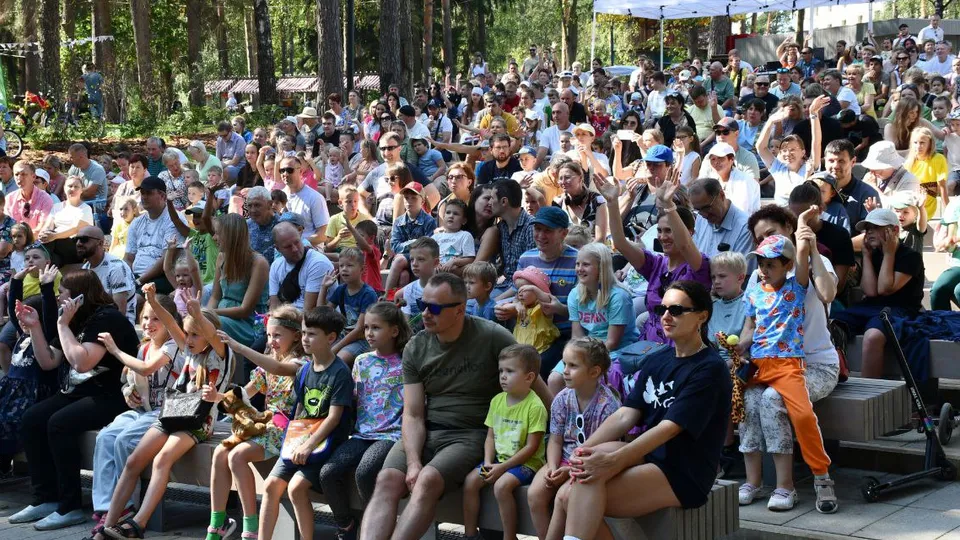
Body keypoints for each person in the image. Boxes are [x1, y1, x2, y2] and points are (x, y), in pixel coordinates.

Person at [359, 273, 550, 540]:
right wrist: (412, 461)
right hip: (426, 429)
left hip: (470, 434)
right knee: (386, 480)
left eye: (434, 308)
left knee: (427, 480)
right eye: (422, 304)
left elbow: (538, 387)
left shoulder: (492, 336)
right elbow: (413, 413)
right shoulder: (417, 346)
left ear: (460, 309)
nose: (425, 313)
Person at [548, 281, 732, 540]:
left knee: (576, 493)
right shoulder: (658, 359)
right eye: (662, 308)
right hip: (651, 458)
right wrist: (578, 455)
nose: (666, 316)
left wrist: (614, 460)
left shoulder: (710, 368)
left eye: (677, 310)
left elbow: (669, 428)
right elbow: (626, 414)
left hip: (684, 471)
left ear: (702, 316)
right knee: (580, 472)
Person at [98, 284, 231, 539]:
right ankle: (106, 528)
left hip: (197, 422)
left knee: (161, 460)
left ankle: (138, 524)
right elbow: (172, 324)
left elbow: (211, 335)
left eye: (195, 335)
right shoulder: (187, 349)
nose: (188, 340)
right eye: (187, 334)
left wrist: (198, 314)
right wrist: (152, 299)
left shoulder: (219, 354)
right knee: (133, 461)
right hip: (171, 414)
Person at [11, 271, 139, 530]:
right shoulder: (73, 320)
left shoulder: (107, 319)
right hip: (79, 393)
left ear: (80, 297)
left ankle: (69, 506)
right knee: (31, 420)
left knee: (59, 423)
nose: (59, 300)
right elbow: (49, 362)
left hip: (112, 395)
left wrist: (61, 325)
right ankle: (45, 498)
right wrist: (35, 327)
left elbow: (82, 362)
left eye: (63, 295)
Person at [736, 233, 837, 513]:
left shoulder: (798, 286)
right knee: (746, 406)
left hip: (790, 364)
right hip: (758, 363)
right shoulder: (755, 290)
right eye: (760, 263)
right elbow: (750, 327)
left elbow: (805, 263)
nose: (763, 270)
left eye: (770, 265)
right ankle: (752, 481)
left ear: (788, 265)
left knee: (801, 414)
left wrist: (808, 239)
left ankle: (818, 477)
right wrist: (739, 346)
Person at [204, 306, 307, 540]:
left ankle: (250, 529)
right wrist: (217, 397)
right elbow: (243, 394)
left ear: (296, 336)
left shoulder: (300, 364)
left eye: (278, 335)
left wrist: (239, 347)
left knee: (236, 456)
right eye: (269, 335)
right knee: (221, 452)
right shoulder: (267, 365)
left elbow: (280, 368)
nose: (272, 341)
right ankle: (217, 525)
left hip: (288, 431)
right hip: (265, 426)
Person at [594, 171, 709, 345]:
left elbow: (685, 245)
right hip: (647, 344)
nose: (663, 237)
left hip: (679, 349)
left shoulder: (698, 266)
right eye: (660, 231)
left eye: (669, 230)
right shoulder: (656, 264)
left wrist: (668, 204)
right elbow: (620, 242)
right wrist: (612, 202)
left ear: (689, 233)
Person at [526, 337, 620, 538]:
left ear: (594, 372)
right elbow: (555, 439)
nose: (565, 371)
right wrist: (552, 467)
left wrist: (569, 470)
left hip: (588, 464)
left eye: (573, 366)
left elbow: (599, 452)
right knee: (535, 495)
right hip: (562, 459)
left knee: (564, 496)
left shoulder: (607, 405)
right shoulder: (562, 398)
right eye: (564, 363)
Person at [462, 344, 546, 540]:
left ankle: (509, 537)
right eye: (501, 371)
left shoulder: (535, 407)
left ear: (529, 377)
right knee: (471, 481)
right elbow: (490, 436)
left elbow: (532, 447)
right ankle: (470, 534)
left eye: (510, 371)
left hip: (525, 465)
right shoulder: (497, 401)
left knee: (502, 486)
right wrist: (489, 462)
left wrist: (502, 468)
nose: (503, 376)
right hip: (498, 462)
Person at [831, 208, 924, 378]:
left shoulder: (911, 256)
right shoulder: (874, 254)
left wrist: (889, 253)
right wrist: (866, 256)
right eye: (867, 229)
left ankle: (870, 392)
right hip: (873, 306)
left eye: (876, 228)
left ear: (894, 230)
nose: (869, 233)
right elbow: (871, 292)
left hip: (901, 310)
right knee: (833, 323)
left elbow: (885, 289)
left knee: (873, 336)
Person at [208, 214, 270, 347]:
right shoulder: (221, 257)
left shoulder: (258, 263)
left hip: (248, 323)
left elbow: (245, 310)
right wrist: (204, 315)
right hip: (220, 316)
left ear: (231, 236)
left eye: (218, 234)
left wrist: (210, 314)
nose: (214, 238)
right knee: (195, 321)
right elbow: (215, 296)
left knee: (210, 324)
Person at [757, 95, 828, 206]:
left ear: (803, 152)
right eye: (784, 150)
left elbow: (816, 142)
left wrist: (813, 114)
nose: (788, 153)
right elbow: (760, 147)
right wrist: (770, 121)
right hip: (781, 219)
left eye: (793, 149)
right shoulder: (778, 168)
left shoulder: (809, 166)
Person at [125, 176, 184, 296]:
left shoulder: (173, 219)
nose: (144, 197)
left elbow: (167, 260)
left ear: (162, 196)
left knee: (135, 299)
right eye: (142, 193)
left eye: (149, 193)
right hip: (136, 277)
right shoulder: (137, 222)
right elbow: (128, 258)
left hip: (163, 277)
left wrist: (139, 281)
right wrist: (126, 276)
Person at [319, 247, 378, 365]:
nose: (344, 269)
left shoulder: (368, 294)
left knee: (338, 360)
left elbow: (359, 330)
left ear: (362, 269)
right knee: (318, 349)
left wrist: (334, 349)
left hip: (362, 340)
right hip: (344, 336)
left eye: (349, 265)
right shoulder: (341, 289)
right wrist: (324, 287)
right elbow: (321, 315)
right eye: (341, 266)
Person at [76, 225, 137, 325]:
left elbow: (119, 312)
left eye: (84, 239)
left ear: (100, 243)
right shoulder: (85, 268)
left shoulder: (116, 267)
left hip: (118, 327)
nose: (78, 243)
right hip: (95, 321)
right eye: (76, 240)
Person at [268, 222, 334, 311]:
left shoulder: (318, 263)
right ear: (277, 248)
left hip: (315, 321)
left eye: (297, 242)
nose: (295, 249)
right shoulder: (276, 266)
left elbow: (309, 312)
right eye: (288, 246)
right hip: (286, 320)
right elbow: (274, 306)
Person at [688, 178, 753, 259]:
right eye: (698, 210)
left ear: (721, 195)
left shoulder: (745, 227)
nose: (704, 215)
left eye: (707, 208)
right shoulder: (701, 219)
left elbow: (744, 269)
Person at [36, 176, 94, 266]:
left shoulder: (85, 209)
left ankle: (37, 259)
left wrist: (55, 236)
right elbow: (48, 225)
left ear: (81, 190)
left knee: (50, 240)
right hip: (55, 246)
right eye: (70, 186)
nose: (72, 189)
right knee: (52, 261)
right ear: (64, 188)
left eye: (76, 187)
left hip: (75, 246)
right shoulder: (57, 207)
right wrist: (43, 234)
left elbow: (76, 229)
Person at [278, 155, 329, 246]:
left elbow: (323, 235)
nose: (285, 174)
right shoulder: (279, 196)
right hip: (285, 249)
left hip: (310, 250)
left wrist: (299, 244)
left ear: (300, 171)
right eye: (282, 170)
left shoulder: (314, 197)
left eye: (289, 170)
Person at [552, 161, 608, 242]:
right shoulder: (557, 202)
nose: (563, 182)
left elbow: (600, 239)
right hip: (566, 251)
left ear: (580, 178)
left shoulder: (597, 200)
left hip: (592, 251)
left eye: (567, 177)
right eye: (560, 178)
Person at [704, 142, 760, 215]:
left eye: (720, 158)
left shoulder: (744, 181)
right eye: (713, 159)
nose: (716, 162)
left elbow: (741, 212)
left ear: (731, 159)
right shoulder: (711, 179)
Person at [905, 126, 949, 219]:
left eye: (922, 143)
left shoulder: (938, 159)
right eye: (915, 143)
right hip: (911, 207)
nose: (918, 146)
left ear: (930, 143)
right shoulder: (909, 162)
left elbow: (942, 186)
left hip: (929, 207)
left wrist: (948, 211)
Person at [6, 161, 54, 232]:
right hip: (11, 240)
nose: (19, 178)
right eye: (16, 174)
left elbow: (42, 228)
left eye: (23, 174)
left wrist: (24, 240)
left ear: (33, 177)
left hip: (36, 241)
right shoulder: (9, 199)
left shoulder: (45, 199)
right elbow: (5, 226)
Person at [68, 144, 109, 214]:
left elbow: (88, 194)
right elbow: (67, 186)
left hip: (95, 206)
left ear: (81, 157)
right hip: (79, 203)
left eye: (72, 157)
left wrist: (71, 192)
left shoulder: (97, 169)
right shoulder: (74, 168)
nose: (69, 160)